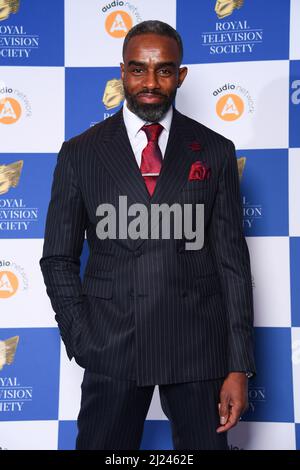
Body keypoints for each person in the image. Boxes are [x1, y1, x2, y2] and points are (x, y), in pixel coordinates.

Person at [40, 20, 256, 450]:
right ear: (122, 72)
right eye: (139, 70)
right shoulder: (80, 152)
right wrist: (83, 338)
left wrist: (239, 367)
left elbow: (232, 264)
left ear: (181, 75)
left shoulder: (214, 150)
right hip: (112, 345)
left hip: (197, 347)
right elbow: (57, 258)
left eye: (164, 70)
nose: (151, 82)